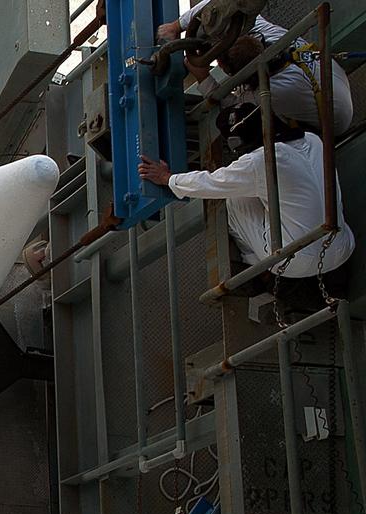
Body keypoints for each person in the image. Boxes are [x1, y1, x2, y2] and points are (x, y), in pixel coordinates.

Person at [138, 103, 354, 308]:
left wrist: (168, 178)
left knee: (235, 200)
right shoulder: (313, 140)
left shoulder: (261, 160)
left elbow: (213, 183)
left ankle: (257, 270)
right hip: (342, 247)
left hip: (296, 265)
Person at [158, 5, 352, 135]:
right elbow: (218, 6)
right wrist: (177, 26)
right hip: (333, 82)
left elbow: (230, 103)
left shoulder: (271, 93)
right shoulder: (267, 33)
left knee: (243, 122)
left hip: (336, 121)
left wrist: (202, 77)